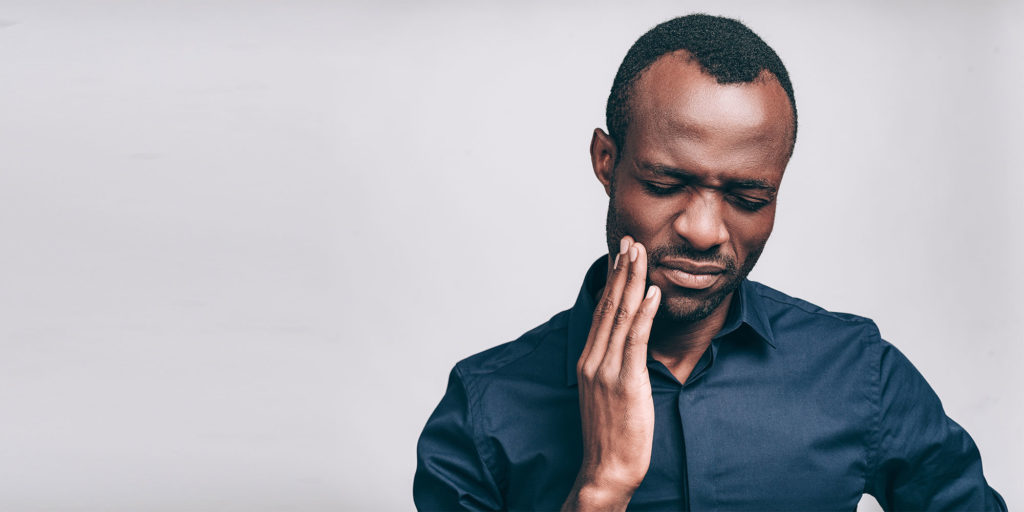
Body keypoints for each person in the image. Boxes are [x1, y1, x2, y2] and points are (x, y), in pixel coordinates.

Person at [413, 14, 1005, 511]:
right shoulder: (484, 408)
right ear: (605, 161)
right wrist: (600, 488)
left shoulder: (857, 372)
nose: (703, 231)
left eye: (749, 198)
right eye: (666, 182)